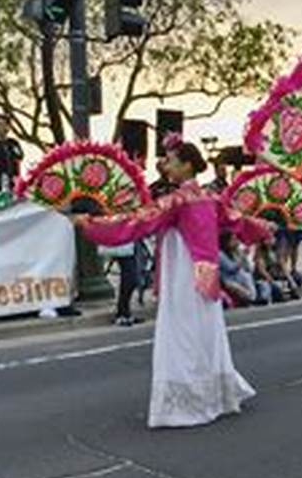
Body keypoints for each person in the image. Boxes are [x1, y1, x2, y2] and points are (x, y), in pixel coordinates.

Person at [75, 137, 274, 428]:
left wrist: (91, 224)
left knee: (181, 334)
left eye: (170, 160)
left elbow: (137, 221)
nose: (165, 165)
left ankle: (191, 401)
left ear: (187, 164)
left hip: (182, 275)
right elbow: (239, 221)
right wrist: (263, 227)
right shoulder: (210, 198)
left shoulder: (177, 200)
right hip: (206, 275)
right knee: (205, 332)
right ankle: (214, 396)